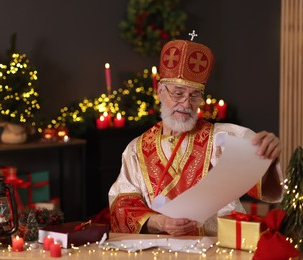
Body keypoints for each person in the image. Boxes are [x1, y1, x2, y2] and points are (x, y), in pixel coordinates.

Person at [108, 38, 283, 236]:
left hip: (216, 249)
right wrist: (159, 221)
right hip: (159, 251)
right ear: (160, 92)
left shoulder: (220, 138)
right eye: (178, 93)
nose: (185, 103)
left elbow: (255, 167)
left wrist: (267, 152)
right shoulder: (136, 150)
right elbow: (121, 205)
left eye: (194, 95)